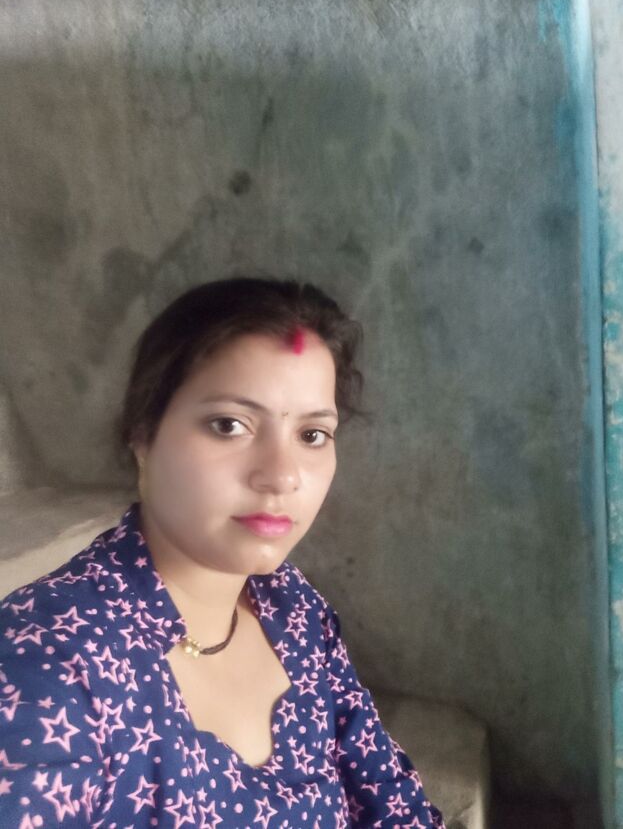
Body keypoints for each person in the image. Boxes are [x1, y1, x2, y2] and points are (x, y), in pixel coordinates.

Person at [0, 277, 446, 828]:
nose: (282, 476)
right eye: (230, 425)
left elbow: (391, 797)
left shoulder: (293, 609)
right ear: (143, 436)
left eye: (312, 435)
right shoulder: (44, 665)